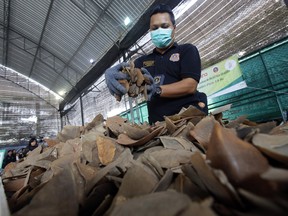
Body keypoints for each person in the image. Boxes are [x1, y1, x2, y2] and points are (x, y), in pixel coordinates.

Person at [105, 4, 208, 124]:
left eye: (164, 26)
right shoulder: (141, 62)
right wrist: (110, 73)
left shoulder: (186, 50)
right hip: (158, 125)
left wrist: (157, 90)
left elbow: (190, 86)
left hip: (188, 120)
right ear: (150, 31)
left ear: (174, 28)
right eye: (154, 28)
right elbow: (126, 75)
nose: (159, 31)